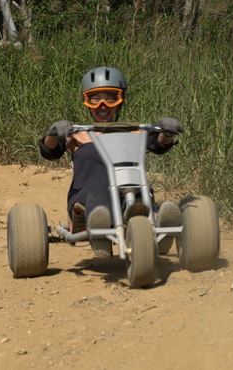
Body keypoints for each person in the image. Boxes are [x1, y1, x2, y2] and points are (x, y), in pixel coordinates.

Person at [38, 66, 181, 257]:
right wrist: (53, 133)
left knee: (141, 195)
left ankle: (156, 220)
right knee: (98, 196)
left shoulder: (135, 132)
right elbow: (50, 151)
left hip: (132, 193)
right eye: (95, 99)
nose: (102, 105)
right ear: (87, 102)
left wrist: (167, 132)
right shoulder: (78, 134)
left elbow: (160, 144)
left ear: (120, 100)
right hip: (87, 196)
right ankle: (96, 219)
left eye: (110, 98)